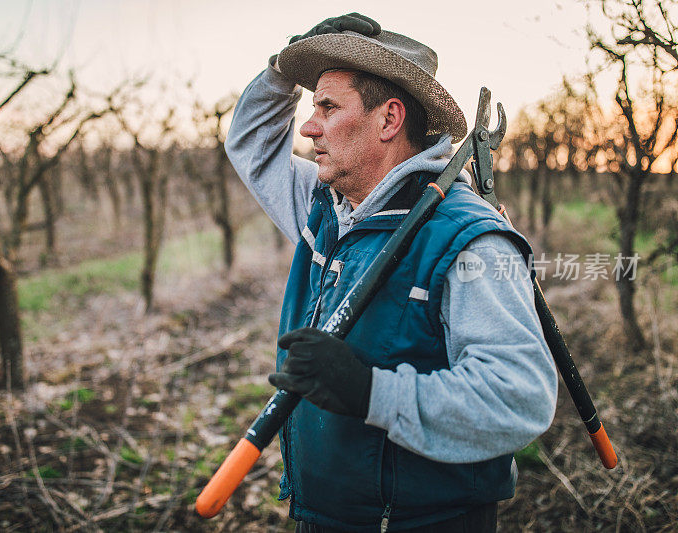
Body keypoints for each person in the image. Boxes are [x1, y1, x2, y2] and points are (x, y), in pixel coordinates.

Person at [224, 14, 558, 533]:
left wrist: (371, 392)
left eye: (328, 107)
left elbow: (520, 396)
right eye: (312, 107)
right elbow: (249, 144)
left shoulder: (469, 238)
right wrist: (280, 71)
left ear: (389, 119)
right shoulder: (328, 207)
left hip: (423, 523)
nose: (308, 126)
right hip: (326, 513)